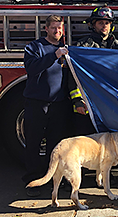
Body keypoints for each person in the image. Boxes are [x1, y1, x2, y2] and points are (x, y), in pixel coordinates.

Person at [70, 6, 118, 186]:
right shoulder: (83, 46)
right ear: (93, 25)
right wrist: (77, 99)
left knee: (108, 142)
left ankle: (106, 174)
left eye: (107, 23)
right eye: (101, 22)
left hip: (108, 105)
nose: (104, 26)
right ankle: (79, 177)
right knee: (83, 141)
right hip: (87, 103)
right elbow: (73, 75)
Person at [22, 15, 74, 197]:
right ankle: (33, 181)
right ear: (46, 28)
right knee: (34, 143)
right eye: (53, 28)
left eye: (60, 28)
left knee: (57, 146)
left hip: (59, 105)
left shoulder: (65, 50)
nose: (57, 31)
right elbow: (32, 68)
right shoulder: (34, 47)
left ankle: (55, 180)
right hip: (37, 104)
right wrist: (54, 55)